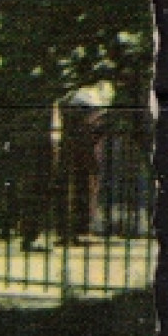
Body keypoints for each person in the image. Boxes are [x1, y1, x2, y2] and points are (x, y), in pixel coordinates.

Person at [56, 78, 115, 244]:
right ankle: (78, 229)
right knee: (84, 188)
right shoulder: (92, 105)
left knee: (75, 188)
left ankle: (71, 230)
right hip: (85, 154)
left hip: (76, 152)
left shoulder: (75, 99)